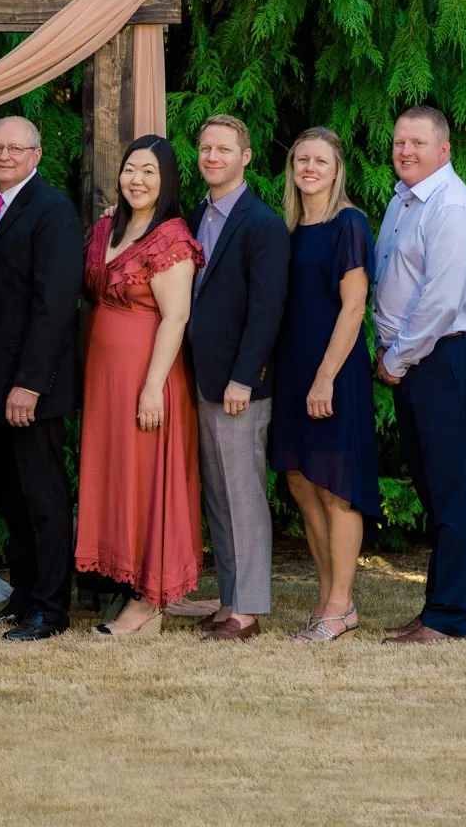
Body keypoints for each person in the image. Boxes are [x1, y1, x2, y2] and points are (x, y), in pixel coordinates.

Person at [374, 106, 466, 645]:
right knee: (434, 486)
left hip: (444, 357)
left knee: (452, 490)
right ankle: (435, 612)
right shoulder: (405, 201)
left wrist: (395, 359)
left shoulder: (452, 210)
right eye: (400, 142)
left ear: (444, 150)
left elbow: (440, 303)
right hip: (420, 358)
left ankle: (448, 619)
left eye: (418, 143)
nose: (406, 151)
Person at [75, 136, 204, 635]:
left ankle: (149, 600)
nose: (137, 180)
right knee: (118, 477)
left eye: (149, 172)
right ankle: (128, 584)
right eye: (131, 169)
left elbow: (176, 317)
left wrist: (153, 388)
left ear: (166, 180)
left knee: (149, 481)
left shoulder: (172, 237)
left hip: (149, 375)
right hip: (105, 377)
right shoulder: (108, 225)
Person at [0, 116, 84, 641]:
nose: (6, 155)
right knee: (11, 495)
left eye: (17, 148)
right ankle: (22, 597)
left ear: (36, 155)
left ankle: (51, 608)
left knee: (42, 497)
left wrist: (31, 383)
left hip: (32, 386)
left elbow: (56, 304)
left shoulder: (53, 211)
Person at [270, 128, 379, 642]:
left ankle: (340, 608)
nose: (309, 167)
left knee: (337, 488)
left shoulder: (348, 224)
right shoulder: (289, 228)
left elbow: (354, 306)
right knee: (300, 480)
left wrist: (326, 377)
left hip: (333, 372)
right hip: (292, 369)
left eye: (320, 160)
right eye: (301, 159)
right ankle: (330, 600)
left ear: (337, 170)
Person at [186, 114, 290, 642]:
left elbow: (267, 310)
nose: (212, 158)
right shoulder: (196, 216)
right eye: (205, 149)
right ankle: (229, 601)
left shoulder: (262, 224)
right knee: (219, 497)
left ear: (245, 157)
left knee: (243, 495)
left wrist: (244, 378)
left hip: (238, 387)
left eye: (223, 150)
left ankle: (248, 612)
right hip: (203, 381)